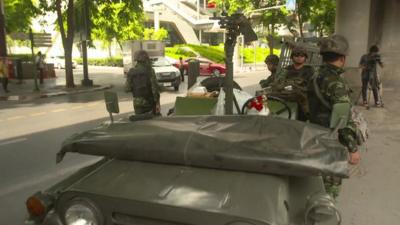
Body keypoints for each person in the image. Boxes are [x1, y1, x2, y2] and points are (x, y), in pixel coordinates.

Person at [126, 50, 161, 115]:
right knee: (152, 122)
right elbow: (154, 89)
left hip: (137, 103)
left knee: (139, 121)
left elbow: (127, 89)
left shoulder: (131, 71)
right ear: (145, 59)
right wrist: (157, 102)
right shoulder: (150, 71)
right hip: (148, 102)